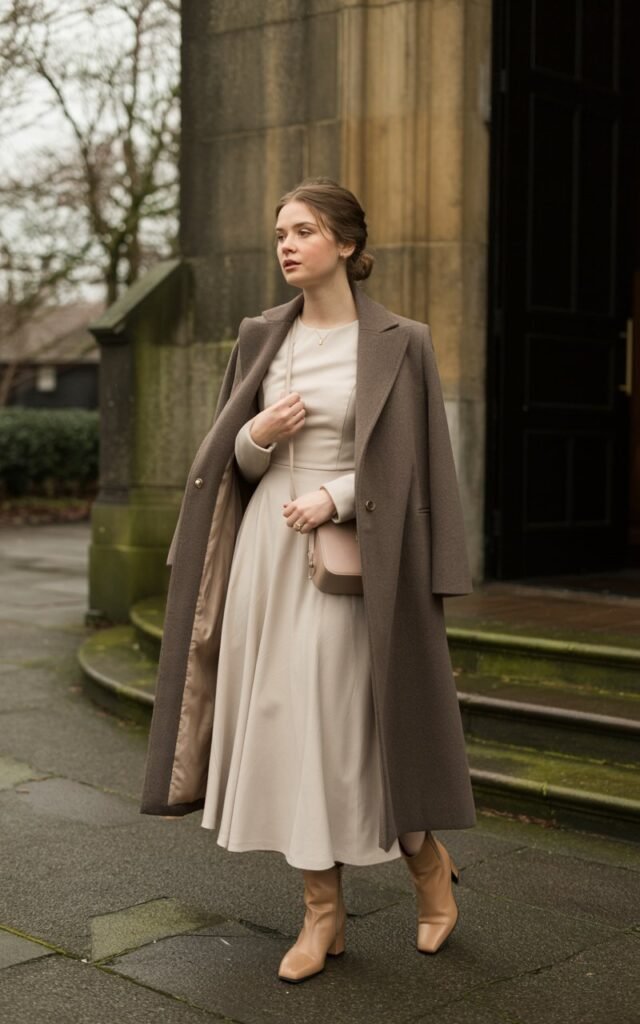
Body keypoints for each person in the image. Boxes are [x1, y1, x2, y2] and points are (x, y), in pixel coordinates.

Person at [140, 177, 476, 984]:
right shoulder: (262, 335)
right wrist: (256, 433)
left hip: (355, 565)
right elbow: (233, 466)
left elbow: (419, 468)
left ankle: (429, 868)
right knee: (291, 730)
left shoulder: (403, 340)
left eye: (304, 230)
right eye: (280, 232)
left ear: (349, 246)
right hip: (267, 558)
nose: (287, 245)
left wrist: (335, 495)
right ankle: (321, 914)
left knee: (352, 728)